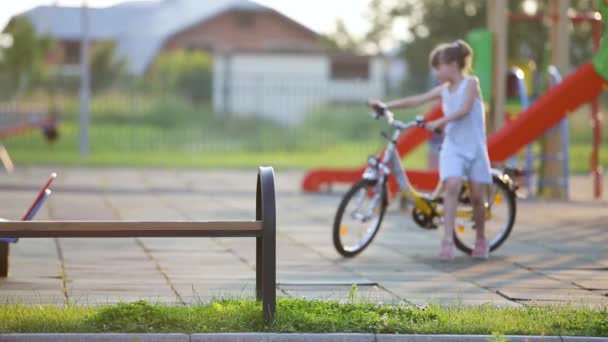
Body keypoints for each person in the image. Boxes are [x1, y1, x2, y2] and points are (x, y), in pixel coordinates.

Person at [369, 40, 492, 261]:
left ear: (453, 64)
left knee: (476, 197)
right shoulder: (444, 90)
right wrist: (387, 106)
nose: (436, 71)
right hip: (453, 146)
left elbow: (464, 110)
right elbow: (416, 99)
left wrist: (439, 122)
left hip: (474, 147)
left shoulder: (471, 83)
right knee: (452, 185)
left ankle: (481, 238)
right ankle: (447, 240)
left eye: (439, 66)